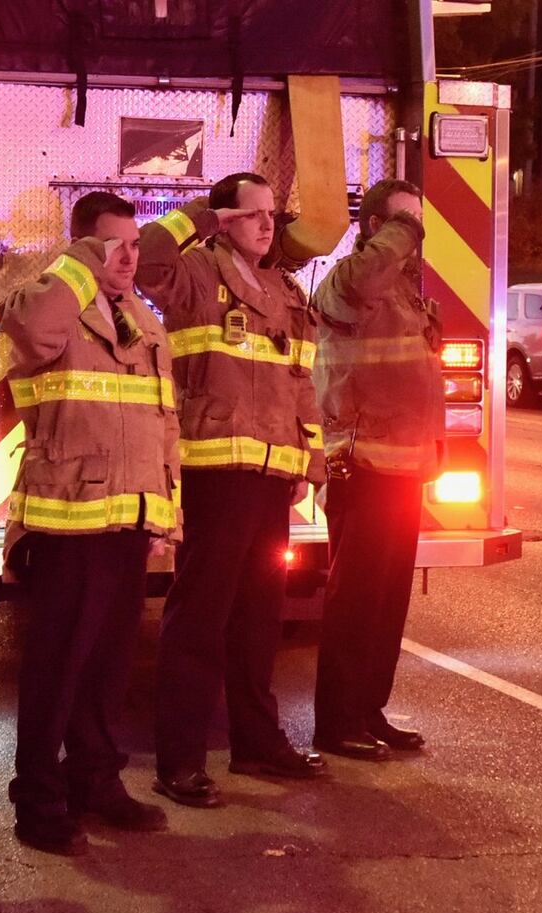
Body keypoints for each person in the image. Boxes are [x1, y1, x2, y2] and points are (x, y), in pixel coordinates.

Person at [136, 172, 329, 809]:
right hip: (214, 473)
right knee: (199, 617)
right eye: (251, 214)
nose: (266, 224)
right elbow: (148, 255)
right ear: (224, 221)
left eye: (271, 213)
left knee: (257, 616)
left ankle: (256, 741)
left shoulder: (283, 288)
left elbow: (300, 379)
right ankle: (180, 760)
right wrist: (204, 216)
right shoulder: (195, 273)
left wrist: (312, 456)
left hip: (271, 477)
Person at [0, 191, 181, 855]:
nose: (130, 257)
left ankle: (96, 781)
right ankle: (37, 798)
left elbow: (163, 420)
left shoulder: (140, 319)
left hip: (126, 519)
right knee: (57, 669)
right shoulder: (47, 302)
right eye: (114, 244)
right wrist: (79, 266)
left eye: (135, 244)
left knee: (107, 666)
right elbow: (33, 329)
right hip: (67, 520)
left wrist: (166, 510)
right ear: (81, 247)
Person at [309, 178, 444, 761]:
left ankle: (368, 709)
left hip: (404, 467)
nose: (413, 233)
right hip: (360, 465)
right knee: (355, 599)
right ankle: (336, 723)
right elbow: (364, 278)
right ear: (374, 229)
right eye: (401, 222)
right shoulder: (346, 284)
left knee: (388, 602)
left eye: (417, 222)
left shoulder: (404, 294)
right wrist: (406, 230)